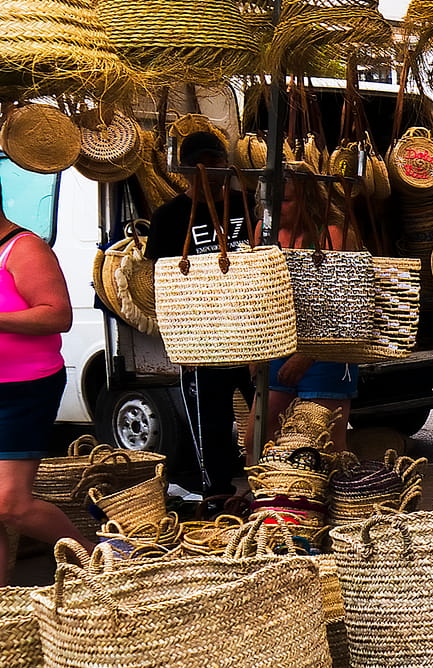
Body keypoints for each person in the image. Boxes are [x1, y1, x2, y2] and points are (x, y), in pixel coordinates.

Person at [144, 133, 253, 501]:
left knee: (267, 415)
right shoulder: (170, 217)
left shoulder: (247, 204)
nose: (211, 174)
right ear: (187, 170)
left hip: (254, 329)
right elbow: (160, 278)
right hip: (202, 336)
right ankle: (217, 497)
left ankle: (273, 489)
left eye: (216, 163)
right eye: (202, 165)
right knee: (212, 424)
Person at [0, 192, 85, 583]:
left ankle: (99, 563)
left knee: (10, 505)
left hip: (23, 390)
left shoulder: (24, 248)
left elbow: (58, 315)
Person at [267, 184, 356, 453]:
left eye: (284, 200)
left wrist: (307, 354)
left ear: (306, 201)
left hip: (327, 350)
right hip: (279, 345)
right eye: (269, 199)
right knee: (259, 440)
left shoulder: (332, 236)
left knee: (325, 444)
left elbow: (346, 303)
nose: (274, 207)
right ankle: (267, 494)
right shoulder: (265, 232)